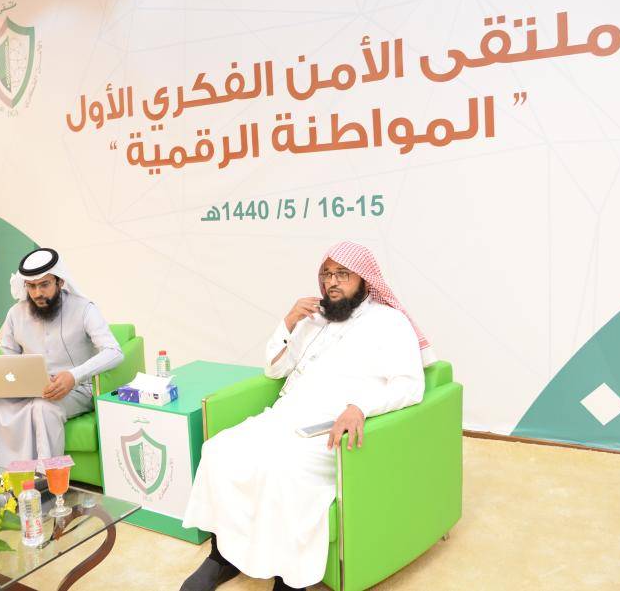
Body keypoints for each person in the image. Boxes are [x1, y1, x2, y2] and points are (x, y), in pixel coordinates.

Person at [180, 241, 435, 591]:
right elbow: (274, 370)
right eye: (326, 274)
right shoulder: (315, 319)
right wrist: (288, 322)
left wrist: (361, 407)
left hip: (331, 429)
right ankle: (222, 556)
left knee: (283, 471)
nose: (332, 282)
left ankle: (290, 579)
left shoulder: (390, 322)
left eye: (342, 274)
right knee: (219, 451)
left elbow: (410, 386)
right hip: (285, 417)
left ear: (365, 279)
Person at [0, 248, 123, 470]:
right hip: (30, 389)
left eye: (44, 284)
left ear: (60, 281)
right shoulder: (16, 313)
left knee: (44, 407)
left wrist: (73, 376)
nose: (37, 293)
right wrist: (13, 383)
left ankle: (45, 478)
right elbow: (8, 357)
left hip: (77, 389)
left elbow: (114, 351)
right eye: (31, 286)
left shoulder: (84, 308)